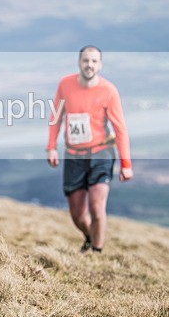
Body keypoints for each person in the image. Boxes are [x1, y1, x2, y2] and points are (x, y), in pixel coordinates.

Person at [47, 46, 133, 253]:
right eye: (86, 61)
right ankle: (89, 236)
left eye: (94, 61)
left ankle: (97, 252)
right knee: (77, 214)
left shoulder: (109, 91)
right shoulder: (65, 84)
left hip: (101, 153)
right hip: (73, 155)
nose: (89, 65)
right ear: (79, 63)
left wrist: (126, 164)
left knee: (96, 208)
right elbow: (56, 118)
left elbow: (120, 128)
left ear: (100, 65)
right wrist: (51, 147)